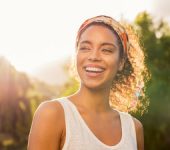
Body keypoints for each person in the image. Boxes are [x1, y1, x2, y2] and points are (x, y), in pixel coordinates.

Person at [28, 15, 148, 150]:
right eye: (85, 48)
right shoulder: (52, 114)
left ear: (121, 62)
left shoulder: (133, 128)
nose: (94, 56)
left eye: (106, 50)